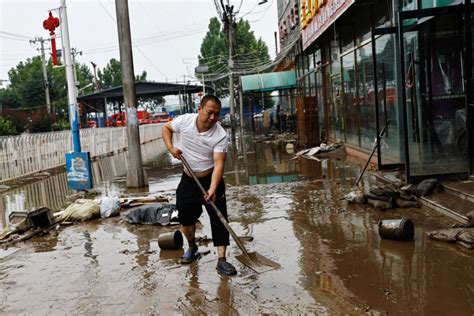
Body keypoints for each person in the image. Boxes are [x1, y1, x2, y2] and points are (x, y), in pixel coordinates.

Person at [162, 95, 237, 276]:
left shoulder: (220, 135)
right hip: (188, 179)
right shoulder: (185, 121)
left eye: (216, 114)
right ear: (200, 109)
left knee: (219, 218)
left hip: (211, 177)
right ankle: (192, 247)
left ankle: (221, 259)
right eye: (209, 112)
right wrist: (171, 148)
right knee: (185, 217)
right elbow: (165, 128)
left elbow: (219, 163)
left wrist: (212, 188)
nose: (212, 118)